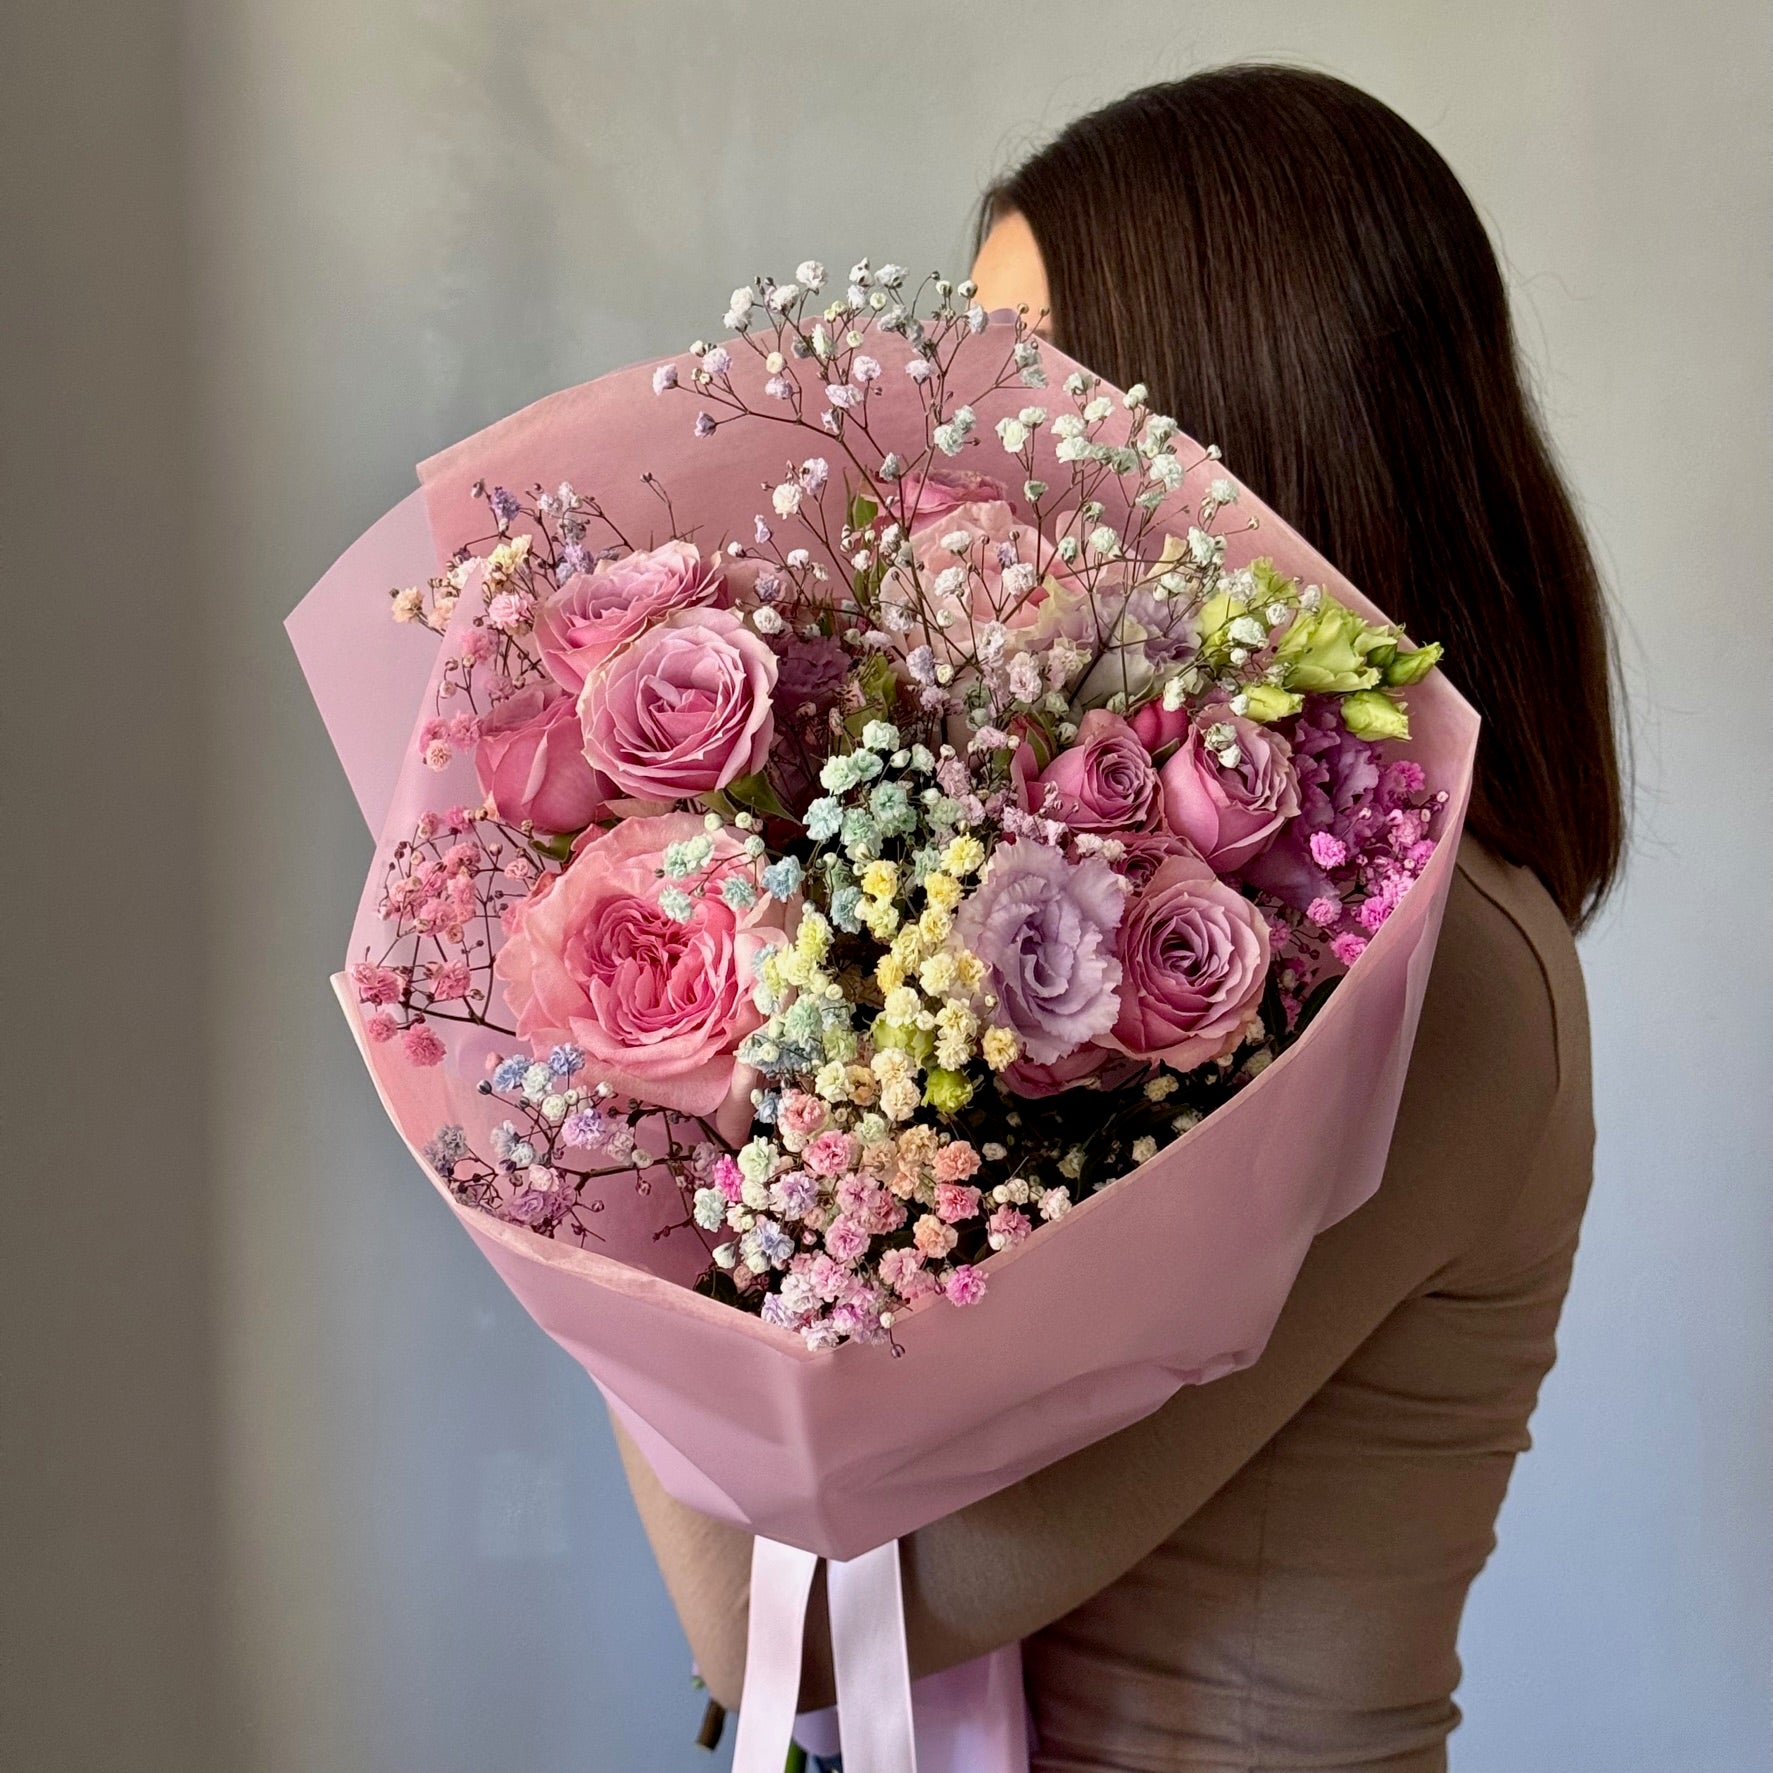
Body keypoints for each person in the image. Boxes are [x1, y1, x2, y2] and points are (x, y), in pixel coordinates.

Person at [618, 65, 1624, 1772]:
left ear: (1237, 412)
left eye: (1032, 386)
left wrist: (616, 1070)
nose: (967, 457)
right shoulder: (1202, 898)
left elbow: (816, 1621)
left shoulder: (1436, 969)